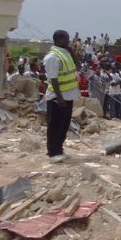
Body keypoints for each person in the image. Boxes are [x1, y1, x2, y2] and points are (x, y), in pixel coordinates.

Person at [43, 30, 79, 162]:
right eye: (67, 39)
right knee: (55, 125)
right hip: (57, 97)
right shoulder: (52, 57)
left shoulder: (65, 53)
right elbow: (54, 79)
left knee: (64, 124)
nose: (69, 41)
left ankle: (59, 149)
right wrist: (59, 98)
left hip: (68, 95)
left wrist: (71, 50)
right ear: (59, 39)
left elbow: (78, 64)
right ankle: (52, 152)